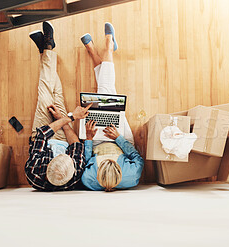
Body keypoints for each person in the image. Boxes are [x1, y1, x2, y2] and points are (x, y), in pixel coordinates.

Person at [25, 21, 92, 191]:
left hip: (42, 137)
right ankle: (46, 49)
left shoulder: (34, 172)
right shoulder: (74, 173)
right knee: (56, 95)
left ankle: (47, 48)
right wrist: (63, 120)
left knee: (45, 94)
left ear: (48, 163)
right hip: (64, 138)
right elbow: (76, 145)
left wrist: (70, 117)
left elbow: (41, 135)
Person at [80, 23, 144, 192]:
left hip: (96, 142)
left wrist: (88, 138)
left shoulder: (89, 181)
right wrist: (118, 138)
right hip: (120, 141)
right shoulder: (131, 177)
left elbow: (86, 161)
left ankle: (102, 50)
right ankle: (108, 47)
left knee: (106, 93)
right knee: (107, 93)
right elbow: (137, 157)